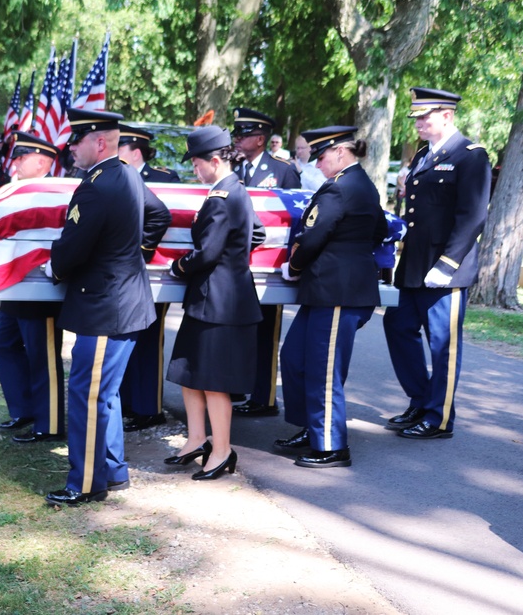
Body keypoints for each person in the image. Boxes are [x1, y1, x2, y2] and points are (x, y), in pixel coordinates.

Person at [44, 108, 168, 506]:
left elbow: (73, 248)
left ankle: (86, 483)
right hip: (126, 302)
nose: (70, 149)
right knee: (107, 394)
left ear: (99, 142)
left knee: (86, 394)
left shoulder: (97, 185)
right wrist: (134, 253)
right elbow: (156, 213)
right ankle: (112, 470)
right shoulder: (129, 173)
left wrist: (54, 266)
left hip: (104, 308)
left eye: (76, 141)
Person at [274, 126, 388, 468]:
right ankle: (312, 428)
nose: (317, 163)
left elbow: (311, 236)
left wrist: (293, 266)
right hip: (329, 290)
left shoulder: (341, 188)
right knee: (294, 358)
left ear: (341, 152)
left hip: (339, 291)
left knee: (323, 370)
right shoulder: (360, 184)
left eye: (321, 156)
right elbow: (380, 230)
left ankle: (331, 445)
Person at [382, 87, 491, 439]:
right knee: (397, 327)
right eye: (415, 117)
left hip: (447, 271)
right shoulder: (423, 156)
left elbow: (472, 216)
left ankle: (438, 418)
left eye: (425, 117)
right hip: (414, 265)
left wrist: (446, 264)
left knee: (443, 345)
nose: (418, 123)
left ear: (447, 115)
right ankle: (421, 399)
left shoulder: (470, 155)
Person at [165, 126, 264, 479]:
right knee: (189, 373)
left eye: (196, 164)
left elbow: (206, 252)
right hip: (212, 298)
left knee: (214, 380)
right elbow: (257, 233)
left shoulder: (224, 197)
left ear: (215, 160)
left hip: (220, 302)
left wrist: (178, 266)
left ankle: (222, 451)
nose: (194, 169)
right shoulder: (233, 191)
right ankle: (196, 440)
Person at [0, 132, 67, 444]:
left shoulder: (58, 192)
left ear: (42, 161)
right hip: (16, 286)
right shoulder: (13, 190)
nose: (16, 162)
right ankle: (23, 408)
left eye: (22, 157)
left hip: (41, 290)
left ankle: (48, 424)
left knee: (42, 356)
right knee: (2, 345)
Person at [229, 107, 300, 418]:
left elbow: (296, 216)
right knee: (237, 329)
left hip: (269, 266)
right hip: (239, 263)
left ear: (259, 139)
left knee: (266, 332)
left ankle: (264, 397)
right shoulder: (235, 169)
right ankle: (237, 384)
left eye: (242, 135)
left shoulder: (283, 170)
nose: (236, 139)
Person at [116, 123, 178, 432]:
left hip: (155, 273)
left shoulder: (165, 179)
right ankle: (127, 401)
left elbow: (168, 217)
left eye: (119, 147)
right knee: (125, 337)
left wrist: (143, 249)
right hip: (124, 274)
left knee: (149, 340)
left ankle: (149, 408)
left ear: (135, 151)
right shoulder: (114, 177)